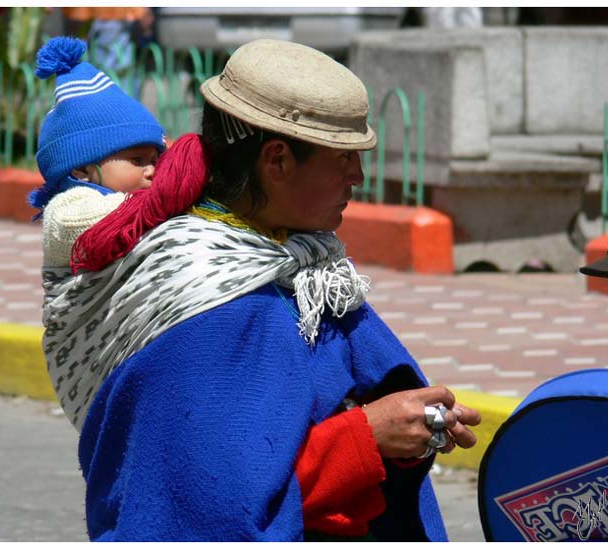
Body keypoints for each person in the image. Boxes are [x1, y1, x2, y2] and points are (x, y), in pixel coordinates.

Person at [41, 39, 481, 541]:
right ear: (276, 161)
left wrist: (409, 427)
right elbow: (205, 510)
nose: (357, 177)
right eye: (342, 159)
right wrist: (366, 436)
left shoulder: (302, 265)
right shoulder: (207, 300)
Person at [26, 36, 165, 274]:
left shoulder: (142, 205)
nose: (151, 170)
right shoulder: (66, 211)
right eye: (137, 161)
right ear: (81, 171)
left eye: (154, 160)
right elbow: (103, 217)